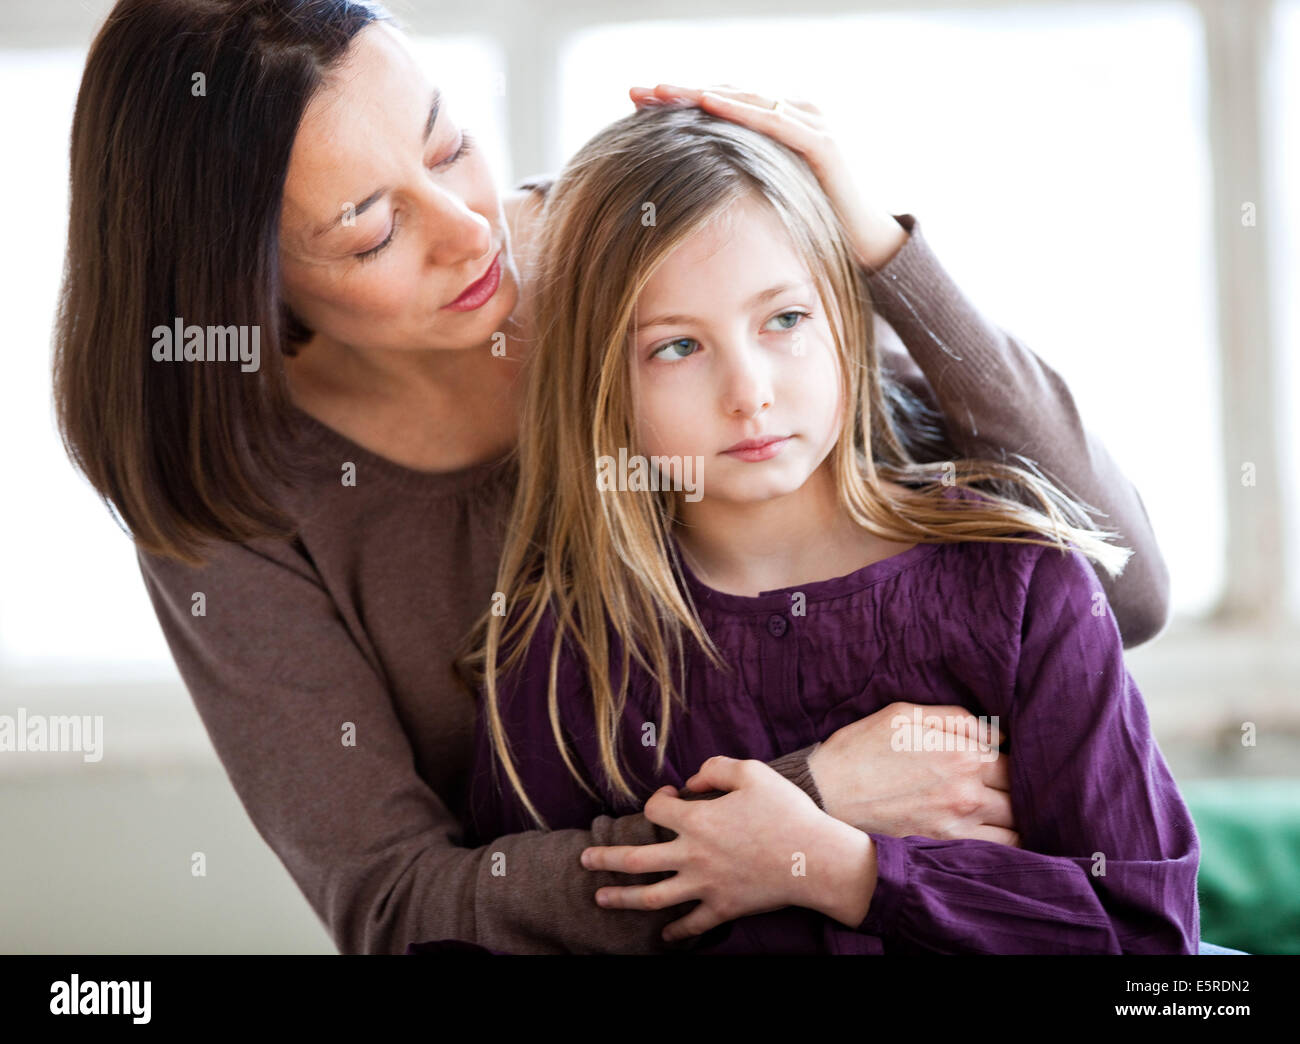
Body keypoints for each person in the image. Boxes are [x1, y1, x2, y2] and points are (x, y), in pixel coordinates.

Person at [53, 0, 1173, 954]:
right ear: (246, 285)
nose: (471, 231)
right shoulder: (228, 498)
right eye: (370, 230)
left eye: (446, 147)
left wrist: (884, 253)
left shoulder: (647, 253)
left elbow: (1120, 591)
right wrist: (805, 809)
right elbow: (397, 909)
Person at [456, 104, 1200, 954]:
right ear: (601, 385)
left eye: (784, 320)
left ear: (844, 322)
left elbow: (1148, 944)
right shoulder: (566, 653)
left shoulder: (1024, 584)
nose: (750, 392)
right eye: (677, 347)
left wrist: (847, 871)